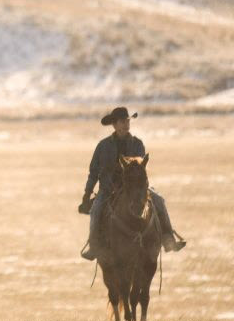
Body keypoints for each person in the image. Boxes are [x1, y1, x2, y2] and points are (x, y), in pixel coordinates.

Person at [79, 107, 186, 260]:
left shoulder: (137, 144)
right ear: (114, 124)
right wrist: (87, 194)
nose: (126, 124)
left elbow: (140, 169)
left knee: (159, 200)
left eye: (128, 121)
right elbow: (93, 172)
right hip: (108, 189)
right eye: (123, 121)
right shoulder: (103, 146)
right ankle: (94, 246)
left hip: (135, 188)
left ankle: (168, 239)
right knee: (96, 209)